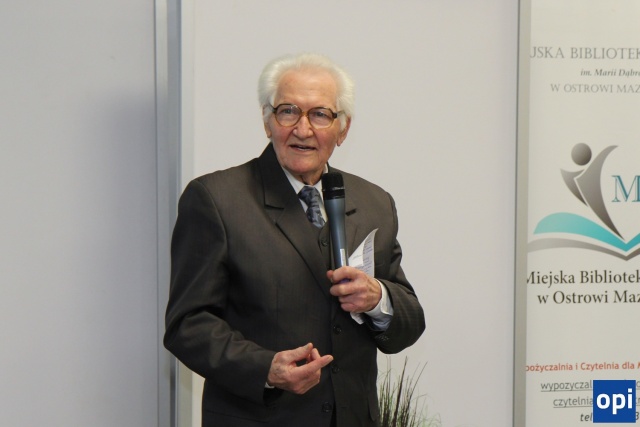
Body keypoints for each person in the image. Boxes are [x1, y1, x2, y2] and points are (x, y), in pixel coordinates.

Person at [164, 52, 425, 427]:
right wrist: (266, 368)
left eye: (320, 114)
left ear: (343, 128)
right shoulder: (216, 200)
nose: (303, 129)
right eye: (288, 111)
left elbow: (409, 322)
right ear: (267, 121)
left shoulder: (374, 203)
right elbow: (187, 325)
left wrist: (377, 299)